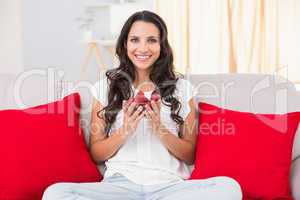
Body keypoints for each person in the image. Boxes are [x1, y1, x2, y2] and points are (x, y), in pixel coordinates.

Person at [42, 10, 242, 200]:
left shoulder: (183, 88)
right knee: (55, 193)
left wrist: (160, 129)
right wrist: (125, 130)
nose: (143, 48)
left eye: (152, 40)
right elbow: (97, 154)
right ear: (125, 44)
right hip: (118, 187)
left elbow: (189, 156)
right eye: (135, 40)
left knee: (229, 187)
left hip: (169, 187)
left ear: (162, 46)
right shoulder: (105, 87)